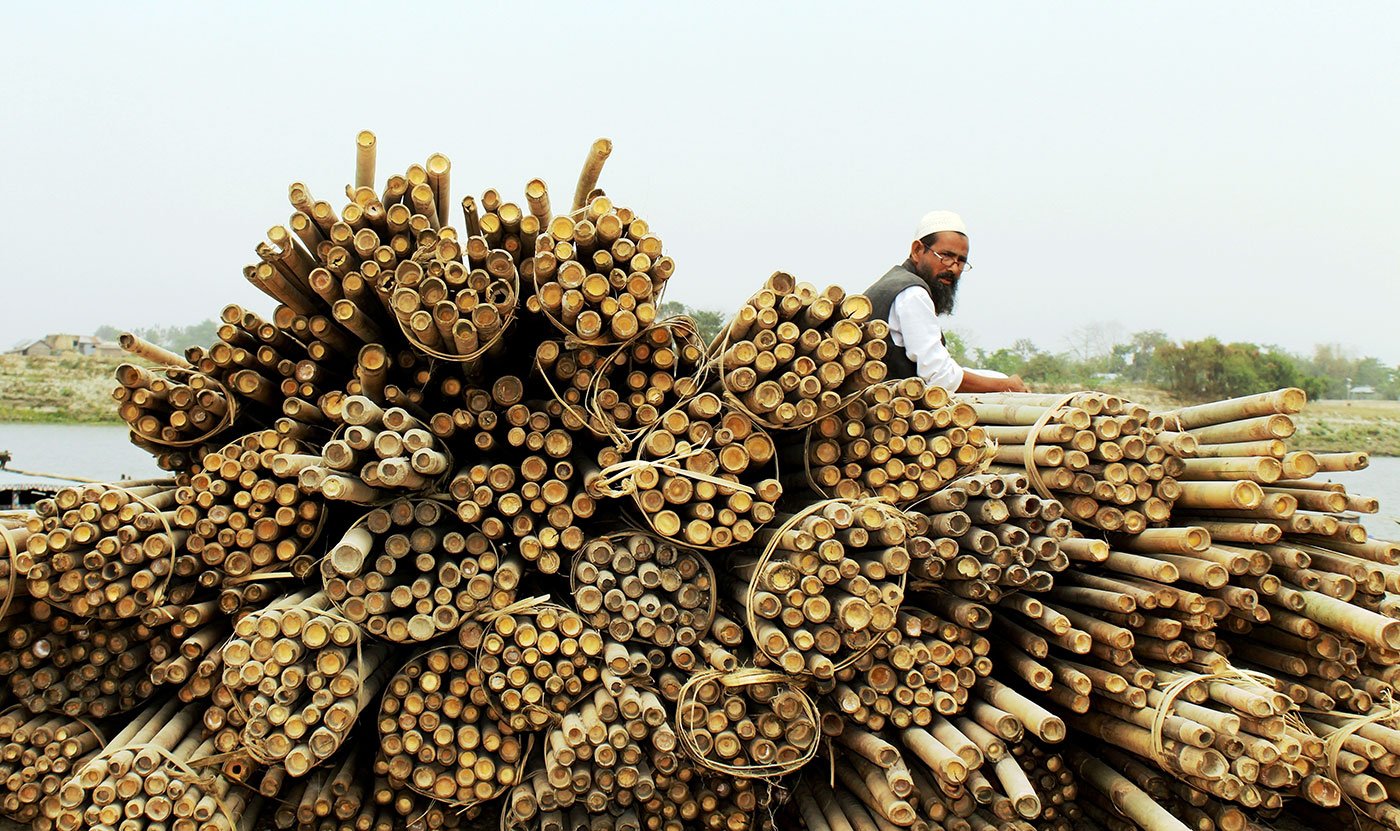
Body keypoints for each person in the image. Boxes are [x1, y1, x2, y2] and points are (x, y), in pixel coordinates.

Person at [863, 210, 1028, 393]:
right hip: (892, 411)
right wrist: (1006, 386)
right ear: (917, 250)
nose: (954, 268)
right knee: (1001, 381)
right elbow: (940, 376)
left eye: (961, 261)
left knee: (995, 376)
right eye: (946, 256)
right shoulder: (912, 293)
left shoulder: (891, 284)